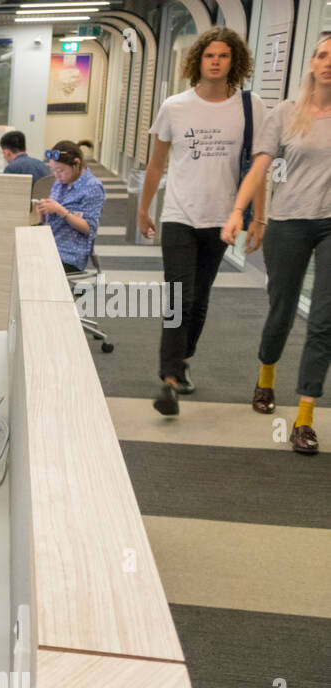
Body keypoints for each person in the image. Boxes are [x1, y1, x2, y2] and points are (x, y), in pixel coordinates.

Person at [140, 27, 267, 418]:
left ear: (235, 62)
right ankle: (169, 380)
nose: (216, 61)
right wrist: (144, 209)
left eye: (224, 56)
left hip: (221, 219)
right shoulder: (175, 106)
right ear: (198, 60)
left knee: (199, 299)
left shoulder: (251, 106)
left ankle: (184, 360)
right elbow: (157, 163)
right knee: (180, 296)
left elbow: (259, 165)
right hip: (179, 214)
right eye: (209, 55)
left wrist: (258, 218)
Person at [222, 32, 331, 454]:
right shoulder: (287, 113)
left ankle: (305, 417)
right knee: (282, 308)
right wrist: (242, 212)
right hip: (288, 224)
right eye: (321, 54)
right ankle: (266, 374)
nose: (327, 62)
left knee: (323, 322)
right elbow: (263, 168)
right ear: (311, 63)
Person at [36, 140, 104, 273]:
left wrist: (61, 211)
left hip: (70, 254)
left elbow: (88, 228)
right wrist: (43, 211)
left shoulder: (93, 187)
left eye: (61, 170)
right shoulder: (60, 182)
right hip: (50, 245)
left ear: (76, 164)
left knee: (33, 271)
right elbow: (50, 218)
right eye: (53, 170)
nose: (57, 175)